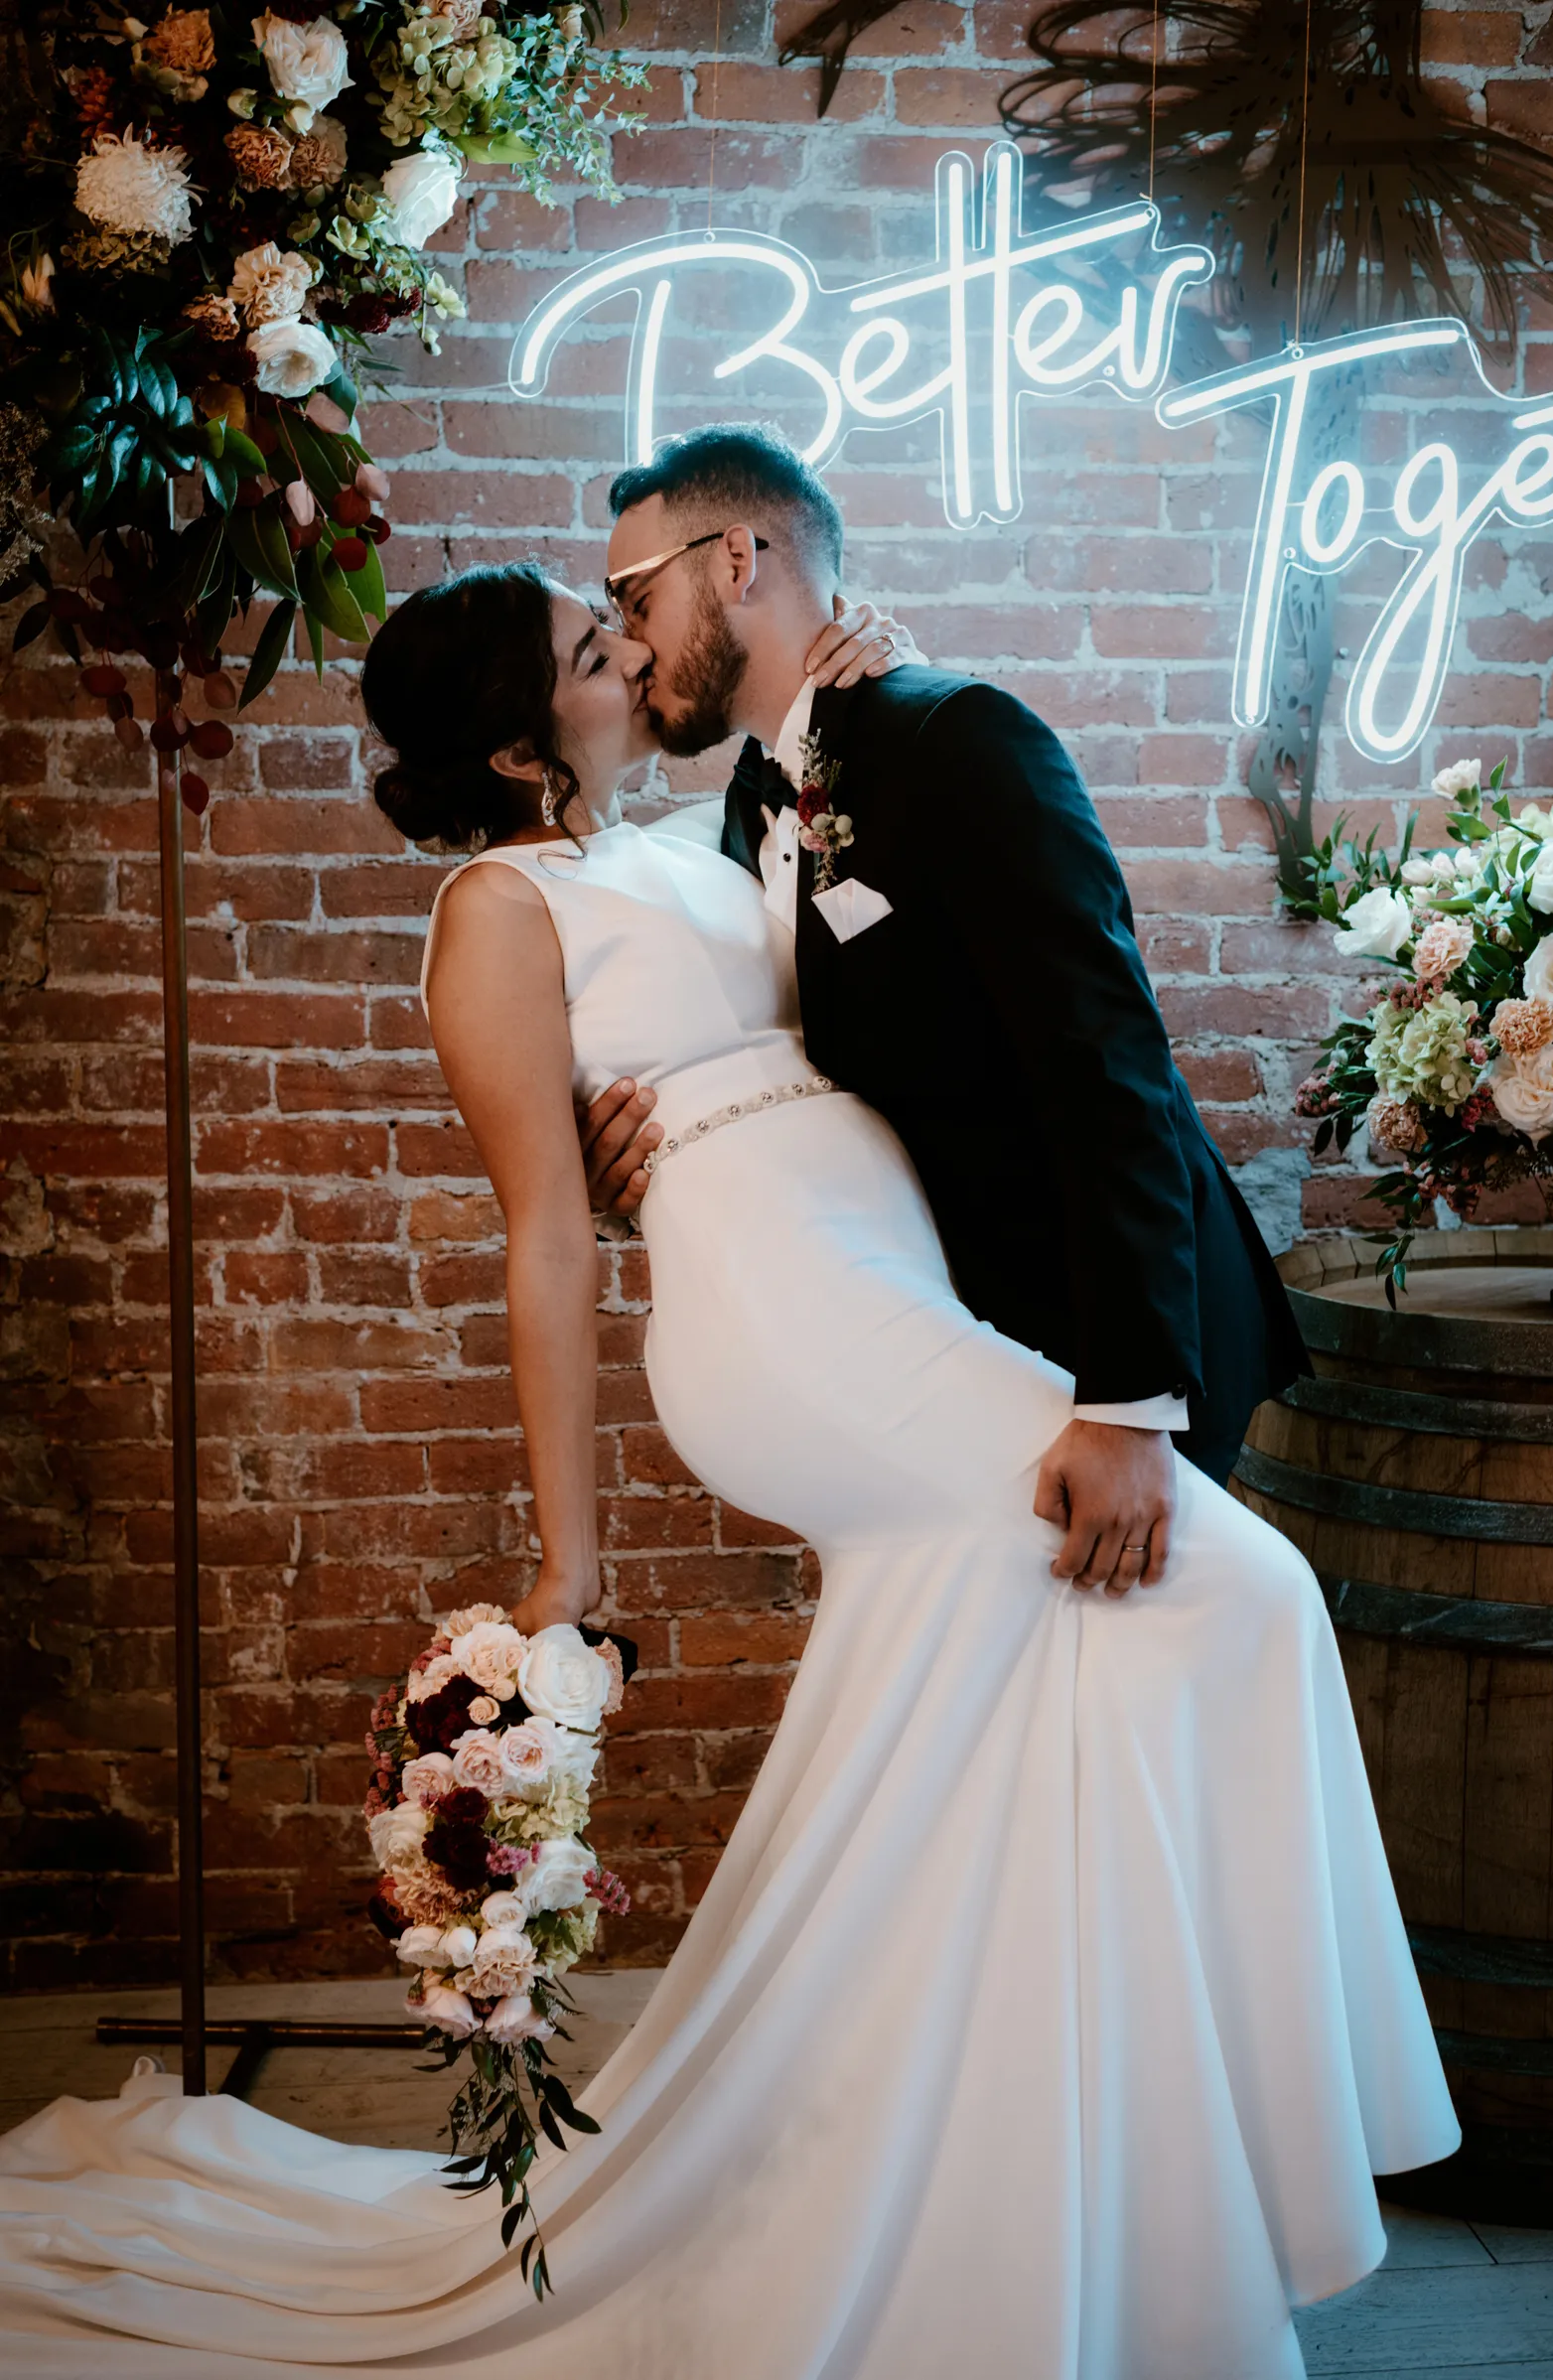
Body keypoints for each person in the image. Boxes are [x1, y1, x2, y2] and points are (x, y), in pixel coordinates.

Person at [0, 552, 1458, 2380]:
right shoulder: (490, 914)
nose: (626, 650)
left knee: (1049, 1677)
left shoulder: (692, 841)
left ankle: (1040, 2192)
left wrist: (847, 703)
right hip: (786, 1321)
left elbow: (837, 918)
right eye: (588, 646)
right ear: (523, 733)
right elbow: (545, 1235)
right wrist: (568, 1565)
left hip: (880, 1271)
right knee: (1235, 1584)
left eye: (617, 625)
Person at [586, 426, 1311, 1601]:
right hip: (966, 1349)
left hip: (1101, 1348)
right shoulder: (747, 804)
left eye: (629, 595)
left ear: (733, 560)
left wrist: (1127, 1408)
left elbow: (1105, 1064)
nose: (624, 639)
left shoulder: (956, 738)